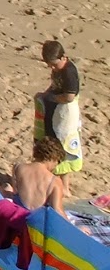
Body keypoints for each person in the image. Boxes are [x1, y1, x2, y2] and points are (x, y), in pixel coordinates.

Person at [37, 41, 83, 195]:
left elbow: (69, 96)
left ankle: (65, 187)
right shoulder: (58, 69)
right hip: (55, 110)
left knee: (63, 146)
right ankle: (55, 183)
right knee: (53, 143)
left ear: (64, 57)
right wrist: (45, 95)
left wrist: (52, 98)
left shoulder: (69, 72)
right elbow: (54, 86)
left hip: (65, 113)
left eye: (54, 64)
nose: (52, 68)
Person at [9, 137, 69, 217]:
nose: (55, 166)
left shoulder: (18, 168)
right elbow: (57, 210)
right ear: (54, 158)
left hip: (18, 215)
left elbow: (15, 192)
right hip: (35, 222)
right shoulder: (55, 181)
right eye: (58, 162)